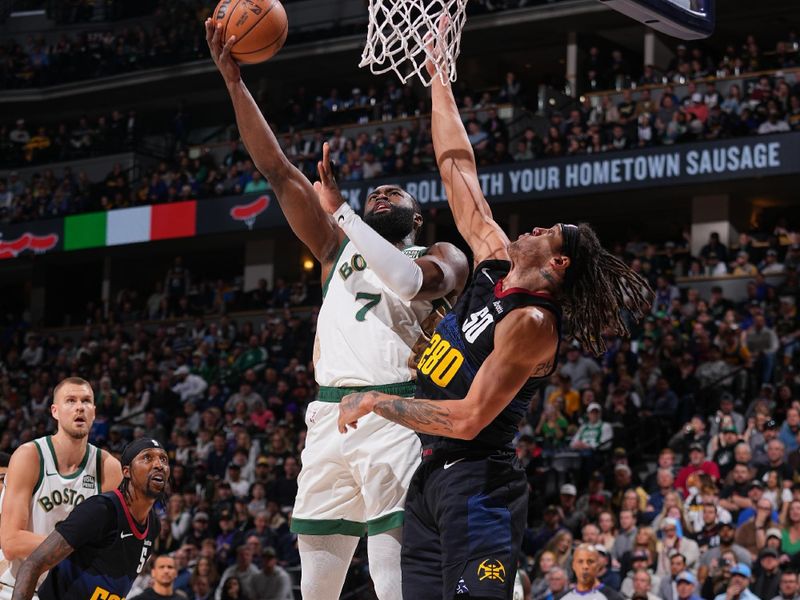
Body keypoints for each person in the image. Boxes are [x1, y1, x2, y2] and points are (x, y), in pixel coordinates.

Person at [337, 46, 651, 600]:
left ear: (558, 264)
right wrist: (439, 82)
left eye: (548, 231)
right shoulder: (496, 262)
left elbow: (468, 419)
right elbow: (458, 170)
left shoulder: (532, 321)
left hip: (478, 482)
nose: (532, 228)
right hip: (431, 477)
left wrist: (375, 401)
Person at [205, 20, 469, 600]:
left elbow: (408, 280)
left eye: (394, 194)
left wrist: (346, 212)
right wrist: (234, 83)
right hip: (326, 418)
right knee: (317, 588)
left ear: (416, 218)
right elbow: (277, 169)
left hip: (396, 412)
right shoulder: (333, 250)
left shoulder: (442, 254)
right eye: (376, 192)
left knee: (392, 576)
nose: (382, 194)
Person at [0, 377, 123, 600]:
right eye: (70, 400)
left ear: (94, 412)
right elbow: (11, 542)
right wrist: (78, 548)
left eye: (86, 401)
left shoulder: (109, 468)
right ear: (55, 411)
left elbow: (114, 545)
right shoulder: (30, 456)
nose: (79, 407)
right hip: (18, 588)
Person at [10, 439, 168, 600]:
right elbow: (33, 564)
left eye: (163, 459)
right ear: (126, 471)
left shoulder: (153, 525)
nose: (158, 465)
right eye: (147, 458)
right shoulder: (101, 510)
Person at [557, 545, 624, 600]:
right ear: (573, 566)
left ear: (597, 565)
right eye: (580, 561)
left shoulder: (613, 597)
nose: (585, 566)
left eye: (590, 561)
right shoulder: (561, 598)